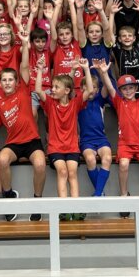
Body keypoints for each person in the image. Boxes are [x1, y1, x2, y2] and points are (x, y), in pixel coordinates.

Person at [93, 52, 139, 219]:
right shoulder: (119, 102)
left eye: (131, 88)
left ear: (135, 88)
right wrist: (104, 73)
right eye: (125, 89)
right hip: (125, 144)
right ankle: (123, 195)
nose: (128, 91)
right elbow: (111, 88)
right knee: (123, 165)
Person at [35, 57, 94, 220]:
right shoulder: (50, 104)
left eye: (56, 87)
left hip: (72, 147)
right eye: (52, 86)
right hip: (55, 148)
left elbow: (89, 91)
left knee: (72, 172)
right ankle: (63, 208)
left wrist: (86, 69)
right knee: (62, 171)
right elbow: (39, 90)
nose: (52, 89)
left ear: (67, 91)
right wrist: (40, 70)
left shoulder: (75, 103)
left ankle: (75, 207)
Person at [0, 65, 47, 222]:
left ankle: (37, 202)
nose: (7, 83)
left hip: (32, 141)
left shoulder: (23, 91)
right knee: (2, 159)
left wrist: (24, 43)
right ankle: (9, 196)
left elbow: (24, 67)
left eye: (10, 80)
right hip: (13, 143)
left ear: (16, 83)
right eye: (4, 80)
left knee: (41, 164)